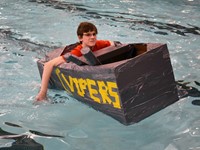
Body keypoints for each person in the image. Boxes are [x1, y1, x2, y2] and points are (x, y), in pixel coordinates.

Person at [35, 22, 114, 101]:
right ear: (80, 38)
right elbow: (48, 65)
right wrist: (43, 92)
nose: (92, 37)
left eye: (94, 34)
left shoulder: (98, 44)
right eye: (88, 35)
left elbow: (113, 43)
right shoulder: (77, 52)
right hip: (68, 52)